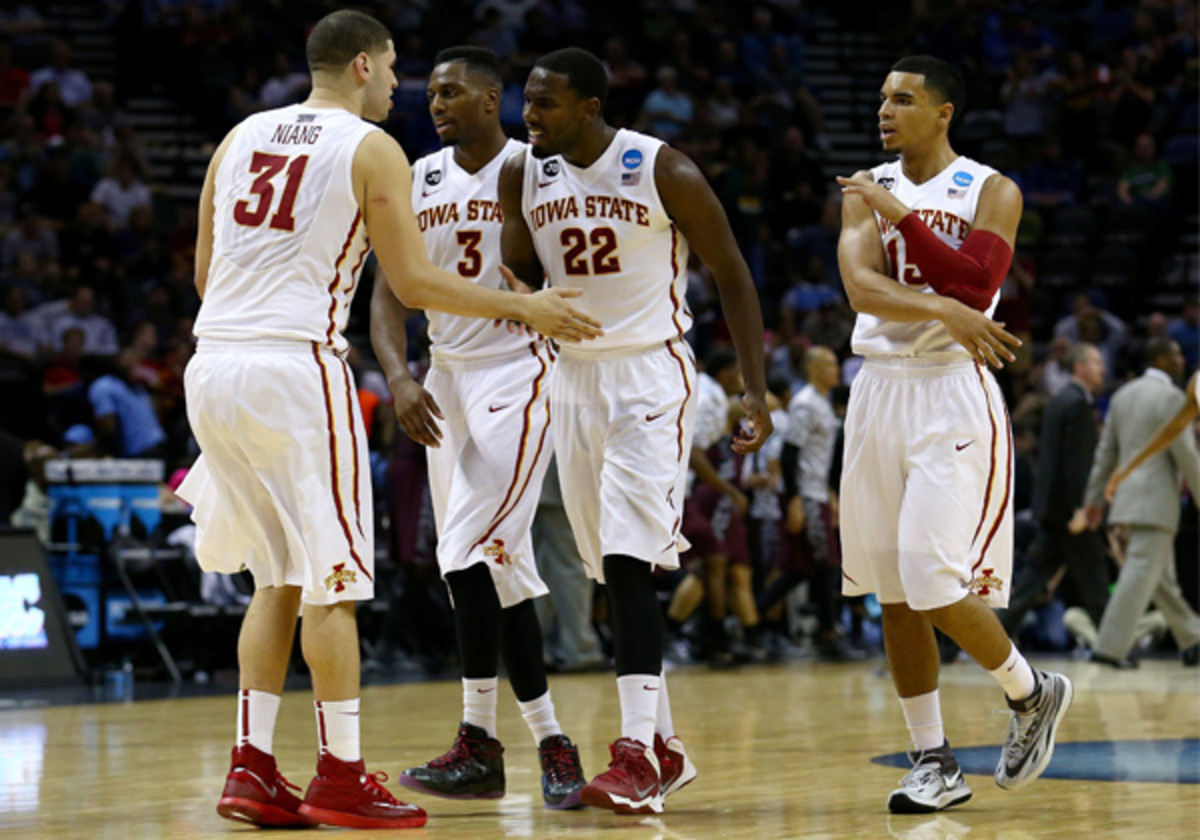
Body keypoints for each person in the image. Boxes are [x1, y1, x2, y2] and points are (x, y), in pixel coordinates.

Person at [174, 11, 600, 831]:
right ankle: (340, 774)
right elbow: (411, 281)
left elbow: (204, 270)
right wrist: (528, 304)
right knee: (335, 584)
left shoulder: (237, 138)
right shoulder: (375, 149)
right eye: (398, 67)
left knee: (276, 576)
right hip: (298, 367)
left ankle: (252, 768)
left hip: (213, 363)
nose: (403, 85)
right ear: (363, 65)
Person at [498, 47, 771, 814]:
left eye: (545, 104)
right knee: (604, 567)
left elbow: (732, 272)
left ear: (589, 107)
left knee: (626, 559)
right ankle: (668, 749)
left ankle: (633, 756)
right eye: (526, 101)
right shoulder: (528, 172)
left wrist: (753, 388)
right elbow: (519, 266)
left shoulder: (662, 169)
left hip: (650, 374)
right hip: (573, 378)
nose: (529, 116)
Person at [834, 55, 1072, 815]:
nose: (885, 110)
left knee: (934, 578)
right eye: (881, 99)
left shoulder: (990, 188)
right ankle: (932, 760)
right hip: (876, 391)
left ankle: (1031, 692)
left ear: (943, 112)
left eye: (902, 99)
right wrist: (941, 311)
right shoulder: (864, 187)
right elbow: (860, 287)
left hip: (948, 398)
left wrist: (902, 221)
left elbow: (975, 284)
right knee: (894, 595)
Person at [368, 46, 586, 810]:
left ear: (493, 98)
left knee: (463, 547)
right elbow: (388, 292)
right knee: (498, 568)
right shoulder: (417, 176)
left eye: (452, 92)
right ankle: (551, 742)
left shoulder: (535, 171)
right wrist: (398, 375)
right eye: (429, 92)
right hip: (444, 380)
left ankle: (478, 738)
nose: (435, 103)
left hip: (519, 373)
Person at [1085, 339, 1200, 666]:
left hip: (1124, 501)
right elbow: (1187, 457)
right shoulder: (1174, 398)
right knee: (1139, 576)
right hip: (1156, 503)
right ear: (1162, 359)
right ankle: (1108, 649)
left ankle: (1193, 638)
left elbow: (1104, 454)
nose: (1181, 360)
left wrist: (1093, 501)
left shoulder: (1121, 396)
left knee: (1161, 581)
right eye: (1177, 353)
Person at [998, 343, 1111, 644]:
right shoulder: (1076, 404)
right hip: (1069, 511)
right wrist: (1081, 507)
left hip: (1052, 508)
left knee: (1029, 585)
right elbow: (1075, 464)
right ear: (1079, 367)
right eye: (1096, 362)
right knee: (1096, 579)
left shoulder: (1060, 401)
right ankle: (1114, 647)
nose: (1103, 369)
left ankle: (983, 641)